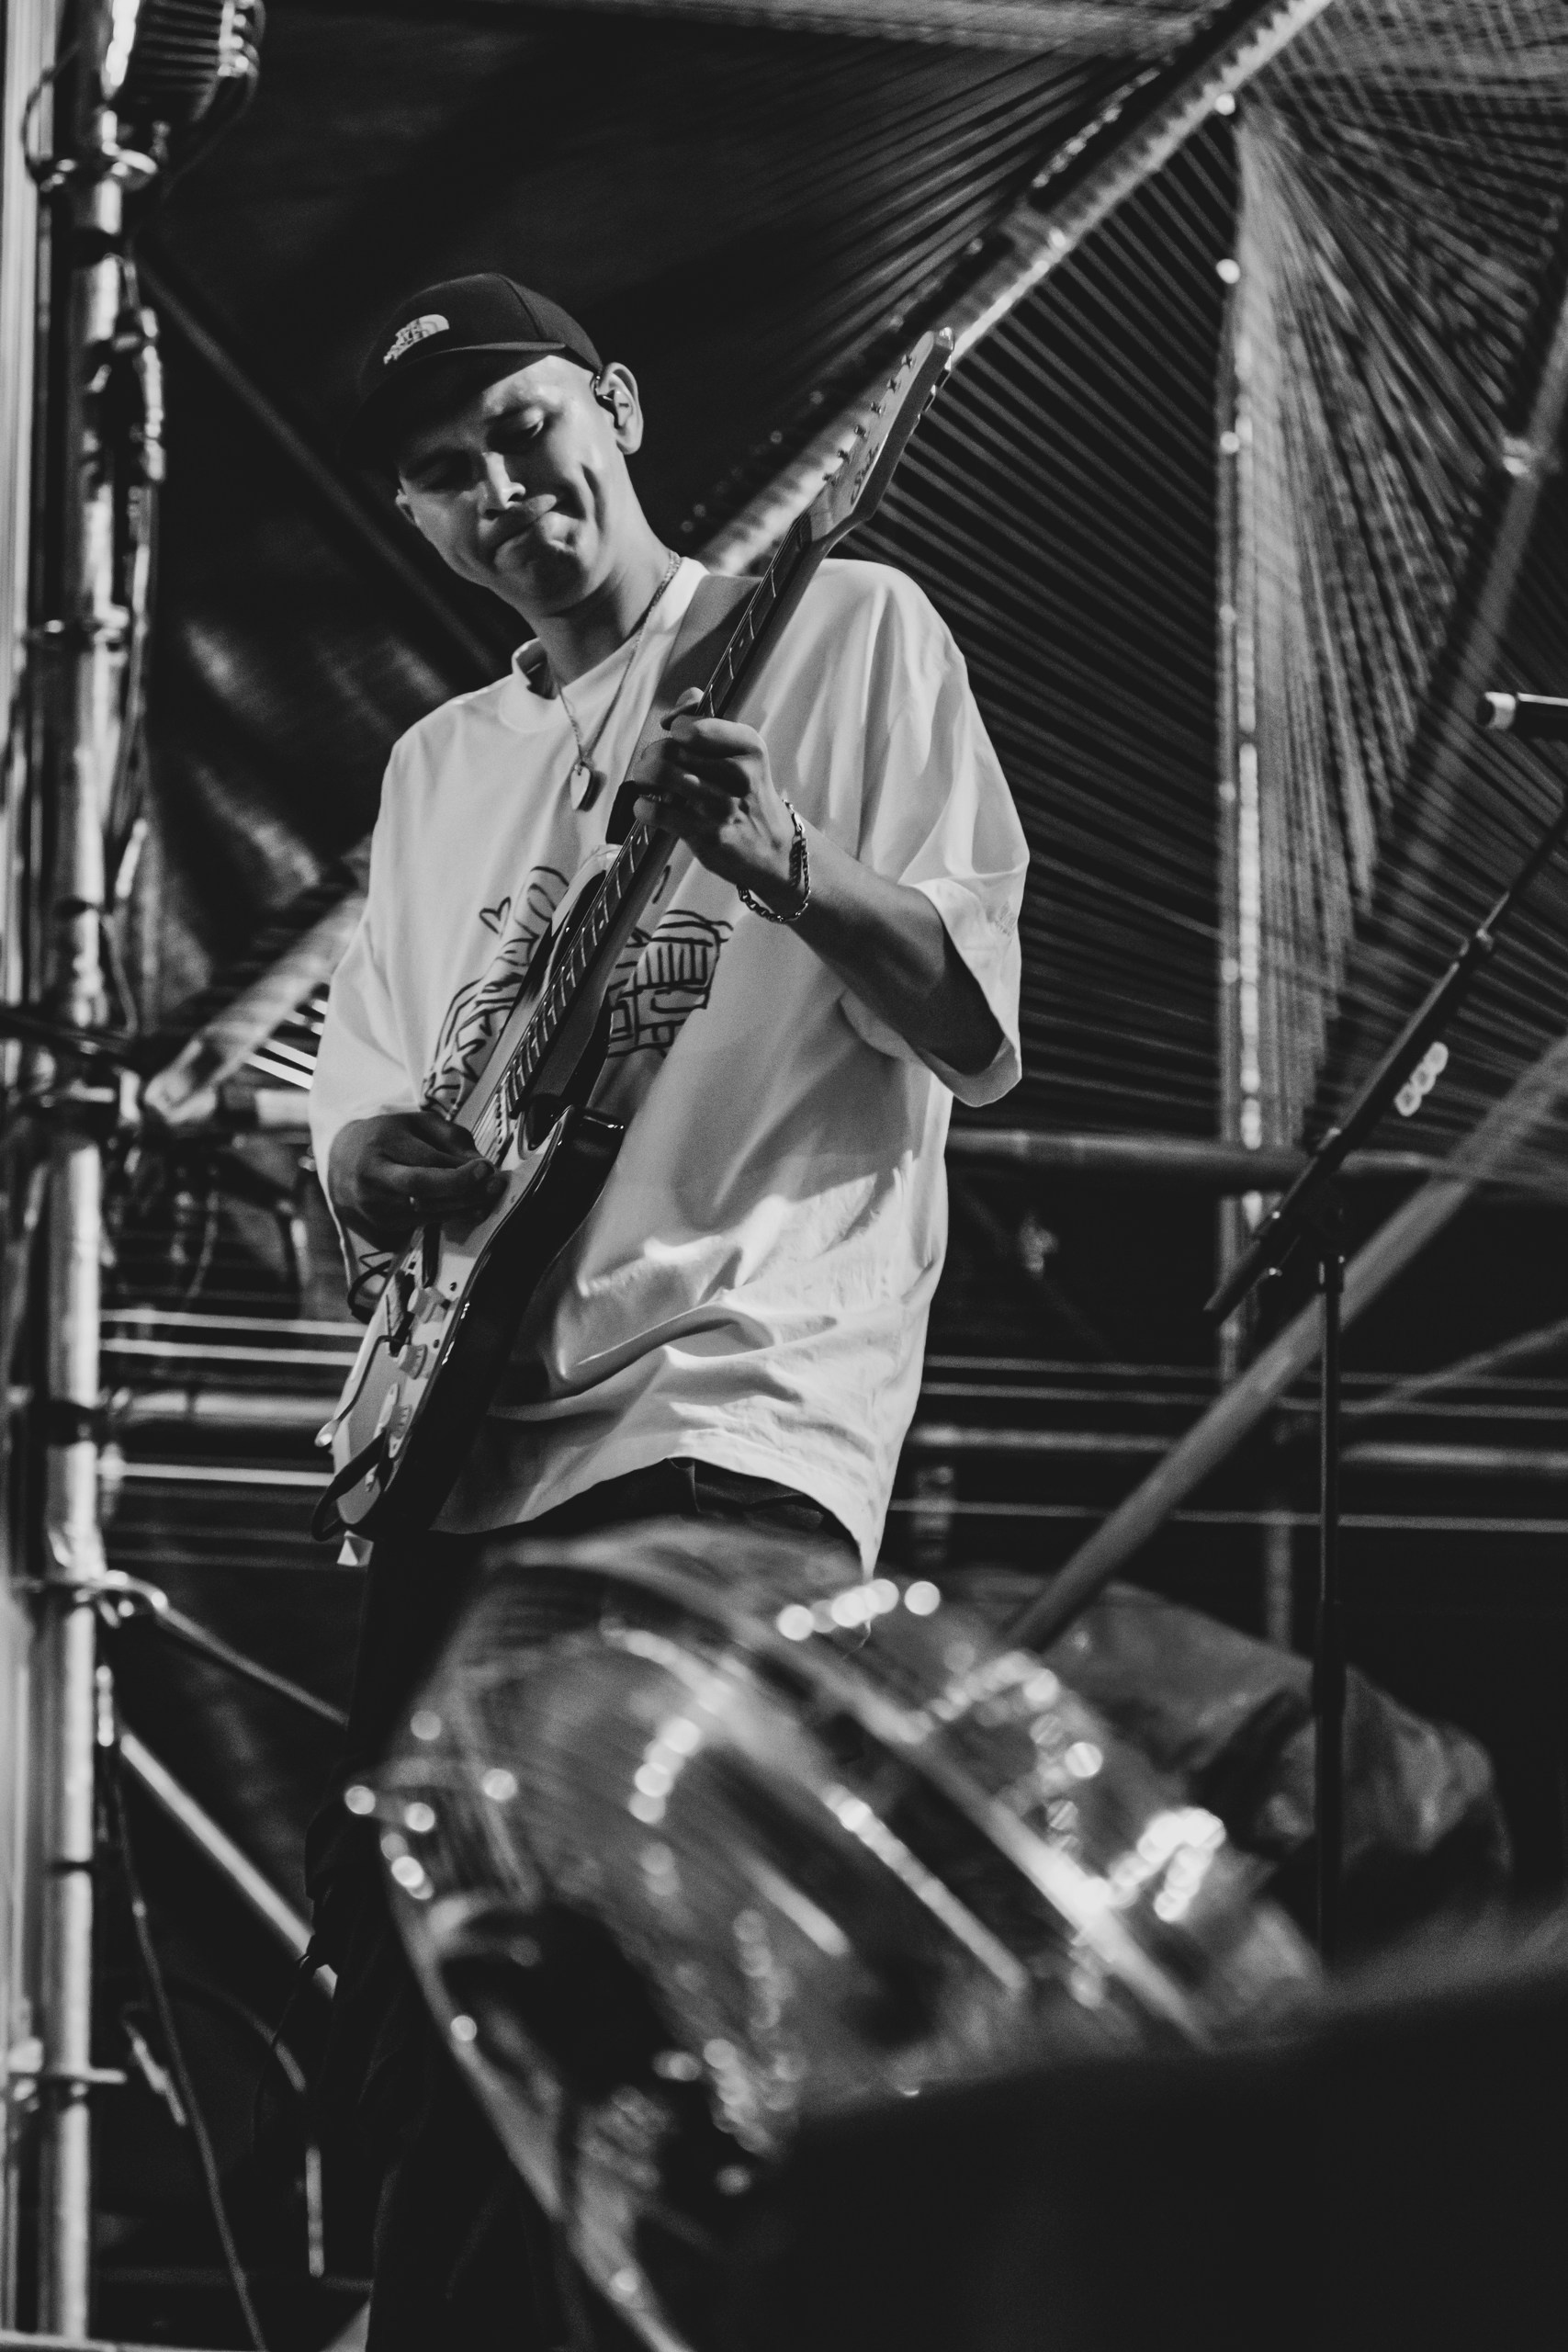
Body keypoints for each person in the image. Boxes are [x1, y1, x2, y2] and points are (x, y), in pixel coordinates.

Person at [306, 272, 1028, 2350]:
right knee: (437, 2012)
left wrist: (791, 864)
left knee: (655, 1990)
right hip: (468, 1436)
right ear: (418, 521)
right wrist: (367, 1163)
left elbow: (972, 1025)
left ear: (614, 407)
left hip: (724, 1394)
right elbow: (369, 1088)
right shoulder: (441, 764)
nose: (498, 485)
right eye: (442, 472)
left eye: (523, 424)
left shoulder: (842, 630)